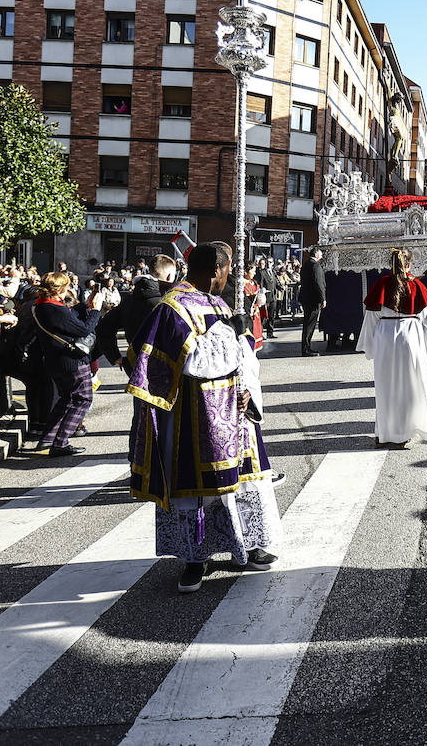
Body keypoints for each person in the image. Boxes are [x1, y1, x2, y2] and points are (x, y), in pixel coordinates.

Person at [127, 242, 281, 593]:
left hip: (234, 411)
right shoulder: (173, 307)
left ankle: (246, 545)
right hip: (194, 416)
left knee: (242, 480)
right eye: (227, 270)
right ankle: (195, 558)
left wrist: (246, 388)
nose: (228, 276)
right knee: (197, 487)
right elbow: (195, 361)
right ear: (216, 268)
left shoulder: (217, 302)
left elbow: (240, 356)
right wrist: (232, 331)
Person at [357, 248, 427, 448]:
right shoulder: (417, 286)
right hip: (411, 339)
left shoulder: (380, 286)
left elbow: (370, 320)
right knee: (409, 388)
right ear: (409, 265)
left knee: (386, 388)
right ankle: (404, 433)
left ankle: (384, 433)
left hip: (385, 339)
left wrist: (370, 348)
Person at [30, 271, 102, 456]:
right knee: (83, 399)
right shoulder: (56, 309)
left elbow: (69, 320)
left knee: (67, 399)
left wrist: (85, 306)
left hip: (55, 360)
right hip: (71, 361)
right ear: (59, 289)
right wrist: (95, 310)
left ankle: (47, 439)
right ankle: (60, 443)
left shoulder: (41, 306)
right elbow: (84, 329)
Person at [100, 253, 175, 368]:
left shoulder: (129, 300)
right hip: (164, 369)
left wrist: (115, 356)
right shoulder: (168, 302)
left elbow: (104, 327)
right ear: (170, 277)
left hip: (135, 364)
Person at [299, 248, 326, 357]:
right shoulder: (315, 266)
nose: (322, 256)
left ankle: (306, 346)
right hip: (313, 299)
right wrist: (323, 298)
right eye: (321, 254)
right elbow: (318, 283)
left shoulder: (306, 264)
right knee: (310, 324)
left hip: (306, 298)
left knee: (307, 323)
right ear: (316, 254)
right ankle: (306, 348)